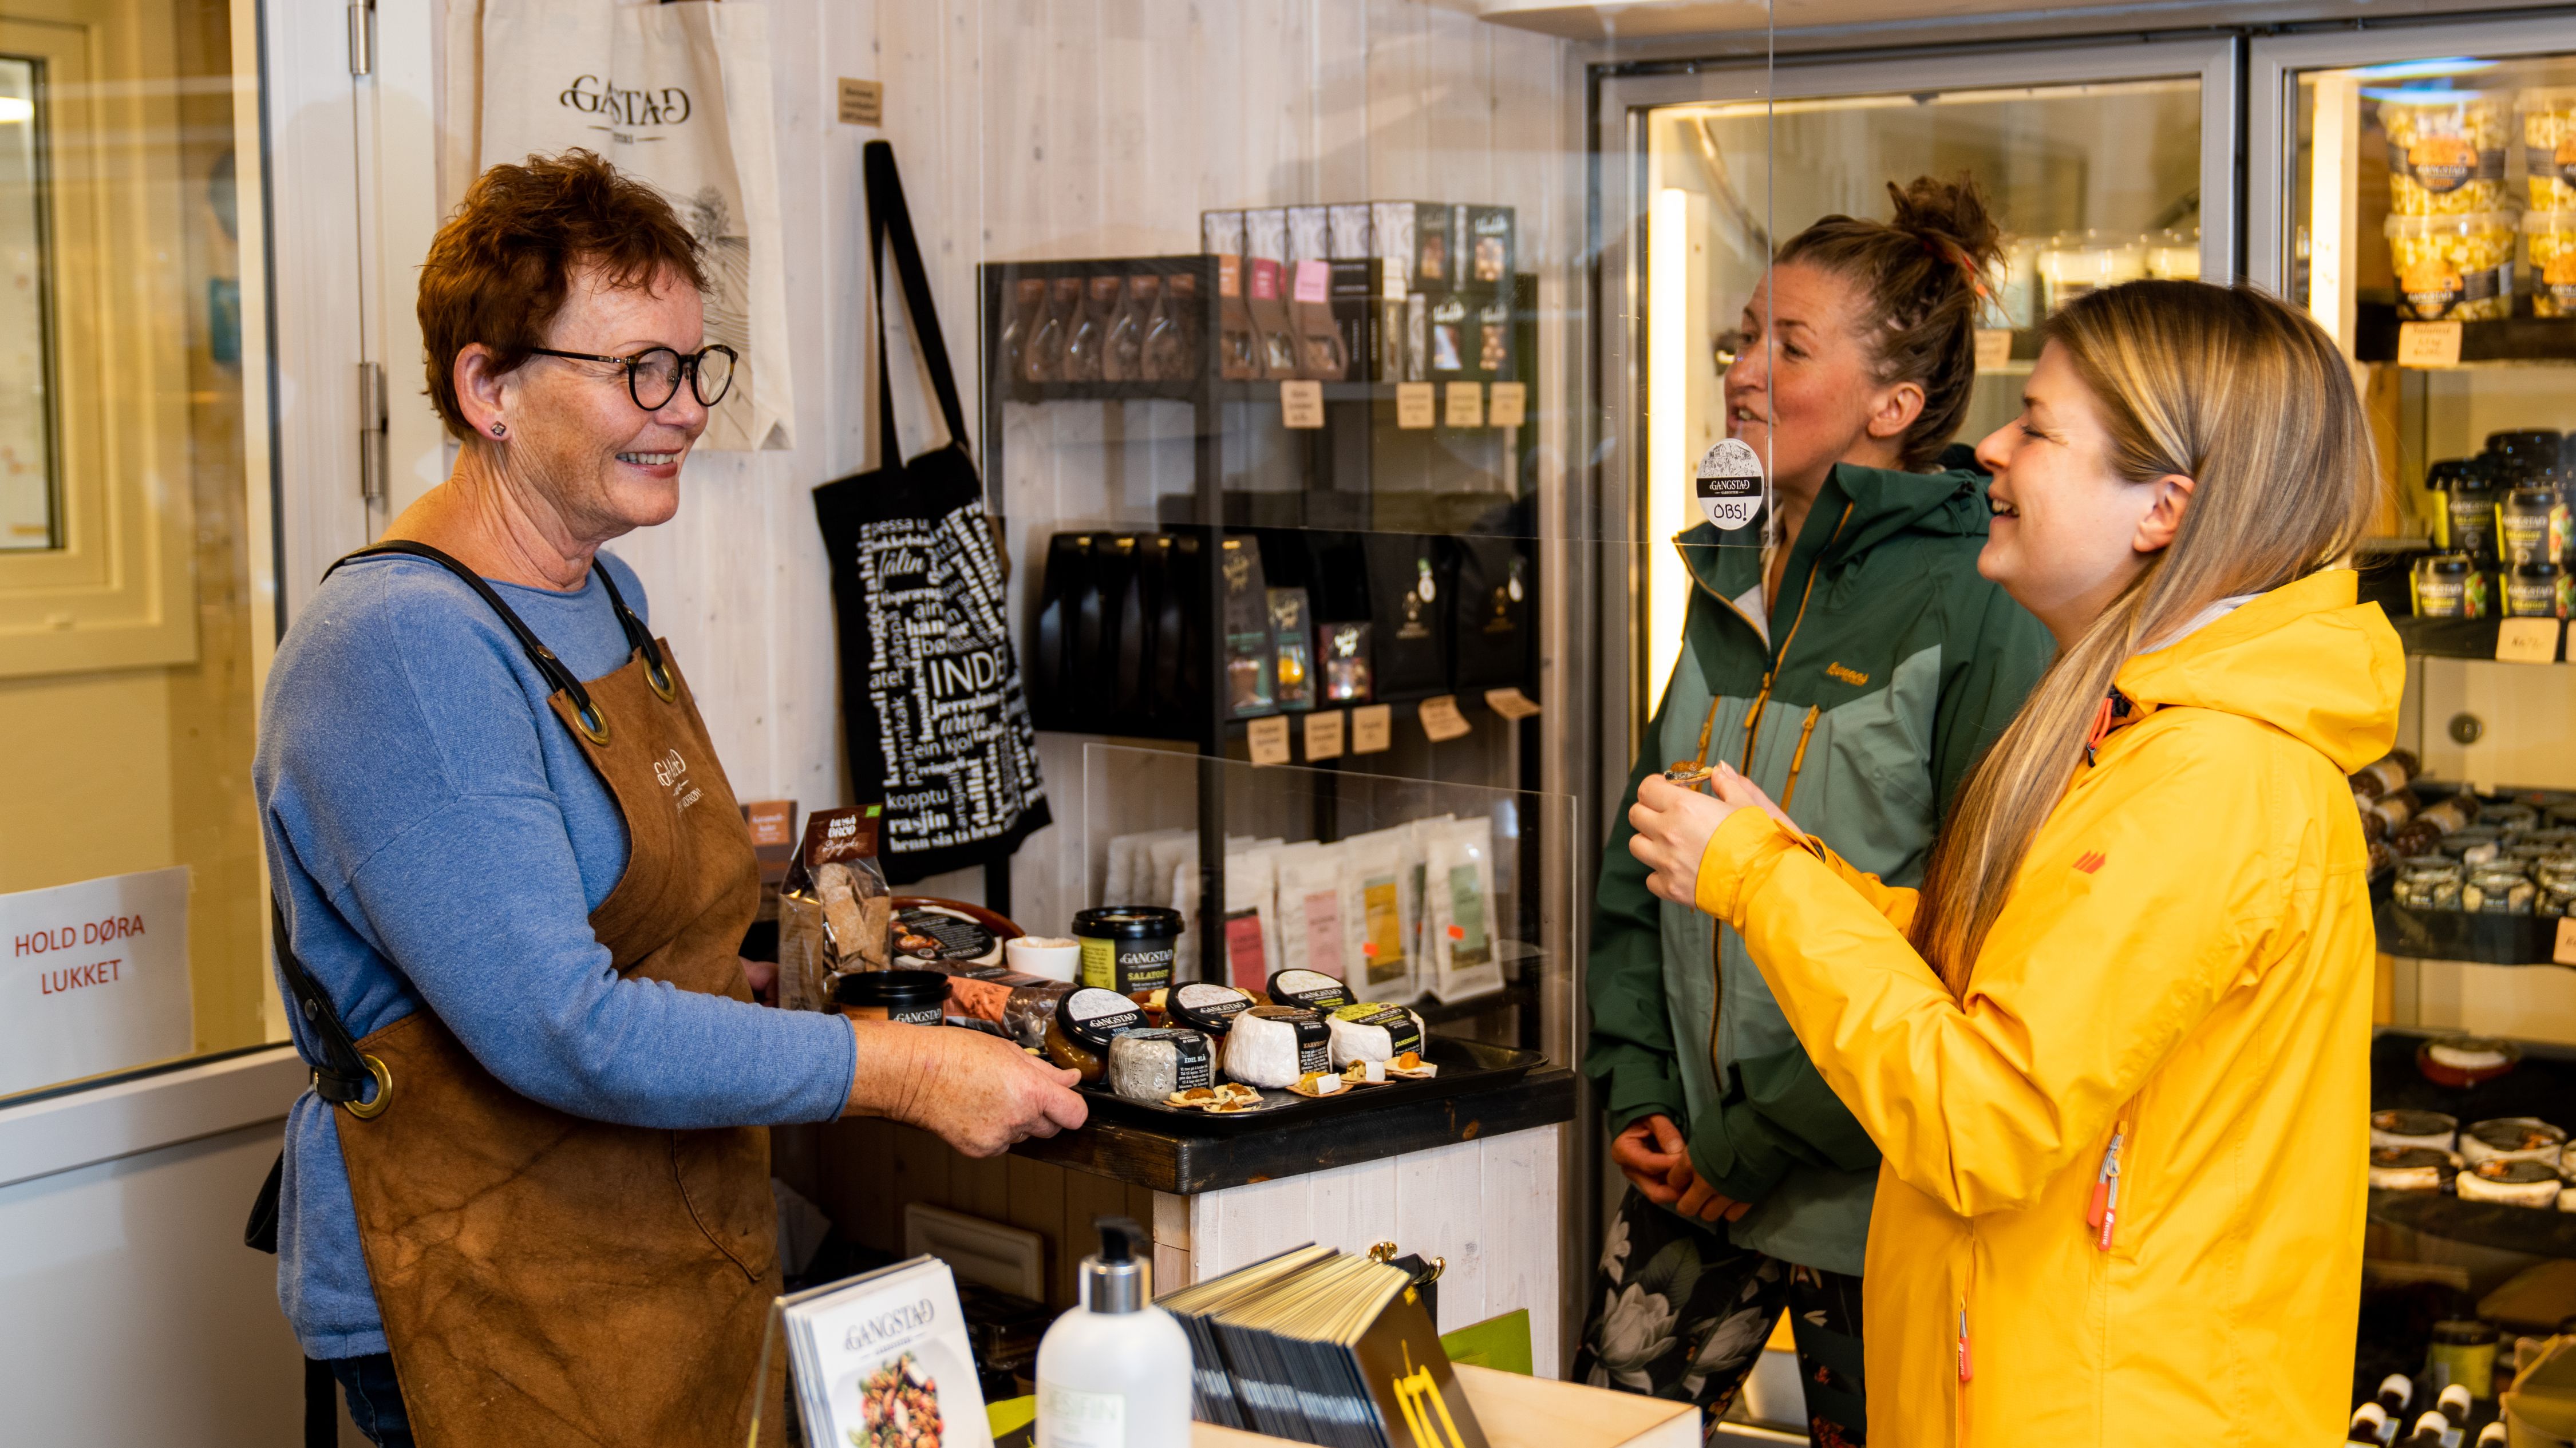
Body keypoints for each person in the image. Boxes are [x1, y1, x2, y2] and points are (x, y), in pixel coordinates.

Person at [254, 151, 1086, 1448]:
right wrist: (905, 1068)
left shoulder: (602, 598)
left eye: (698, 366)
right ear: (489, 387)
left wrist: (815, 968)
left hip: (658, 1247)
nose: (687, 407)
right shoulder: (402, 650)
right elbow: (562, 1025)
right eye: (639, 367)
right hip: (487, 1295)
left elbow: (644, 926)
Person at [1623, 279, 2399, 1444]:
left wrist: (1763, 883)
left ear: (2164, 509)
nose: (1989, 445)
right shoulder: (2142, 731)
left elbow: (1982, 1120)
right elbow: (2021, 967)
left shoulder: (2209, 781)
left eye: (2037, 425)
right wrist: (1803, 869)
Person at [1575, 177, 2053, 1441]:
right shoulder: (1725, 569)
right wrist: (1638, 1086)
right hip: (1684, 1158)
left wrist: (1749, 1141)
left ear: (1896, 404)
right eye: (1741, 334)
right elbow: (1646, 852)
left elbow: (1967, 937)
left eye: (1788, 345)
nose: (1742, 370)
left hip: (1862, 1193)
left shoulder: (1978, 600)